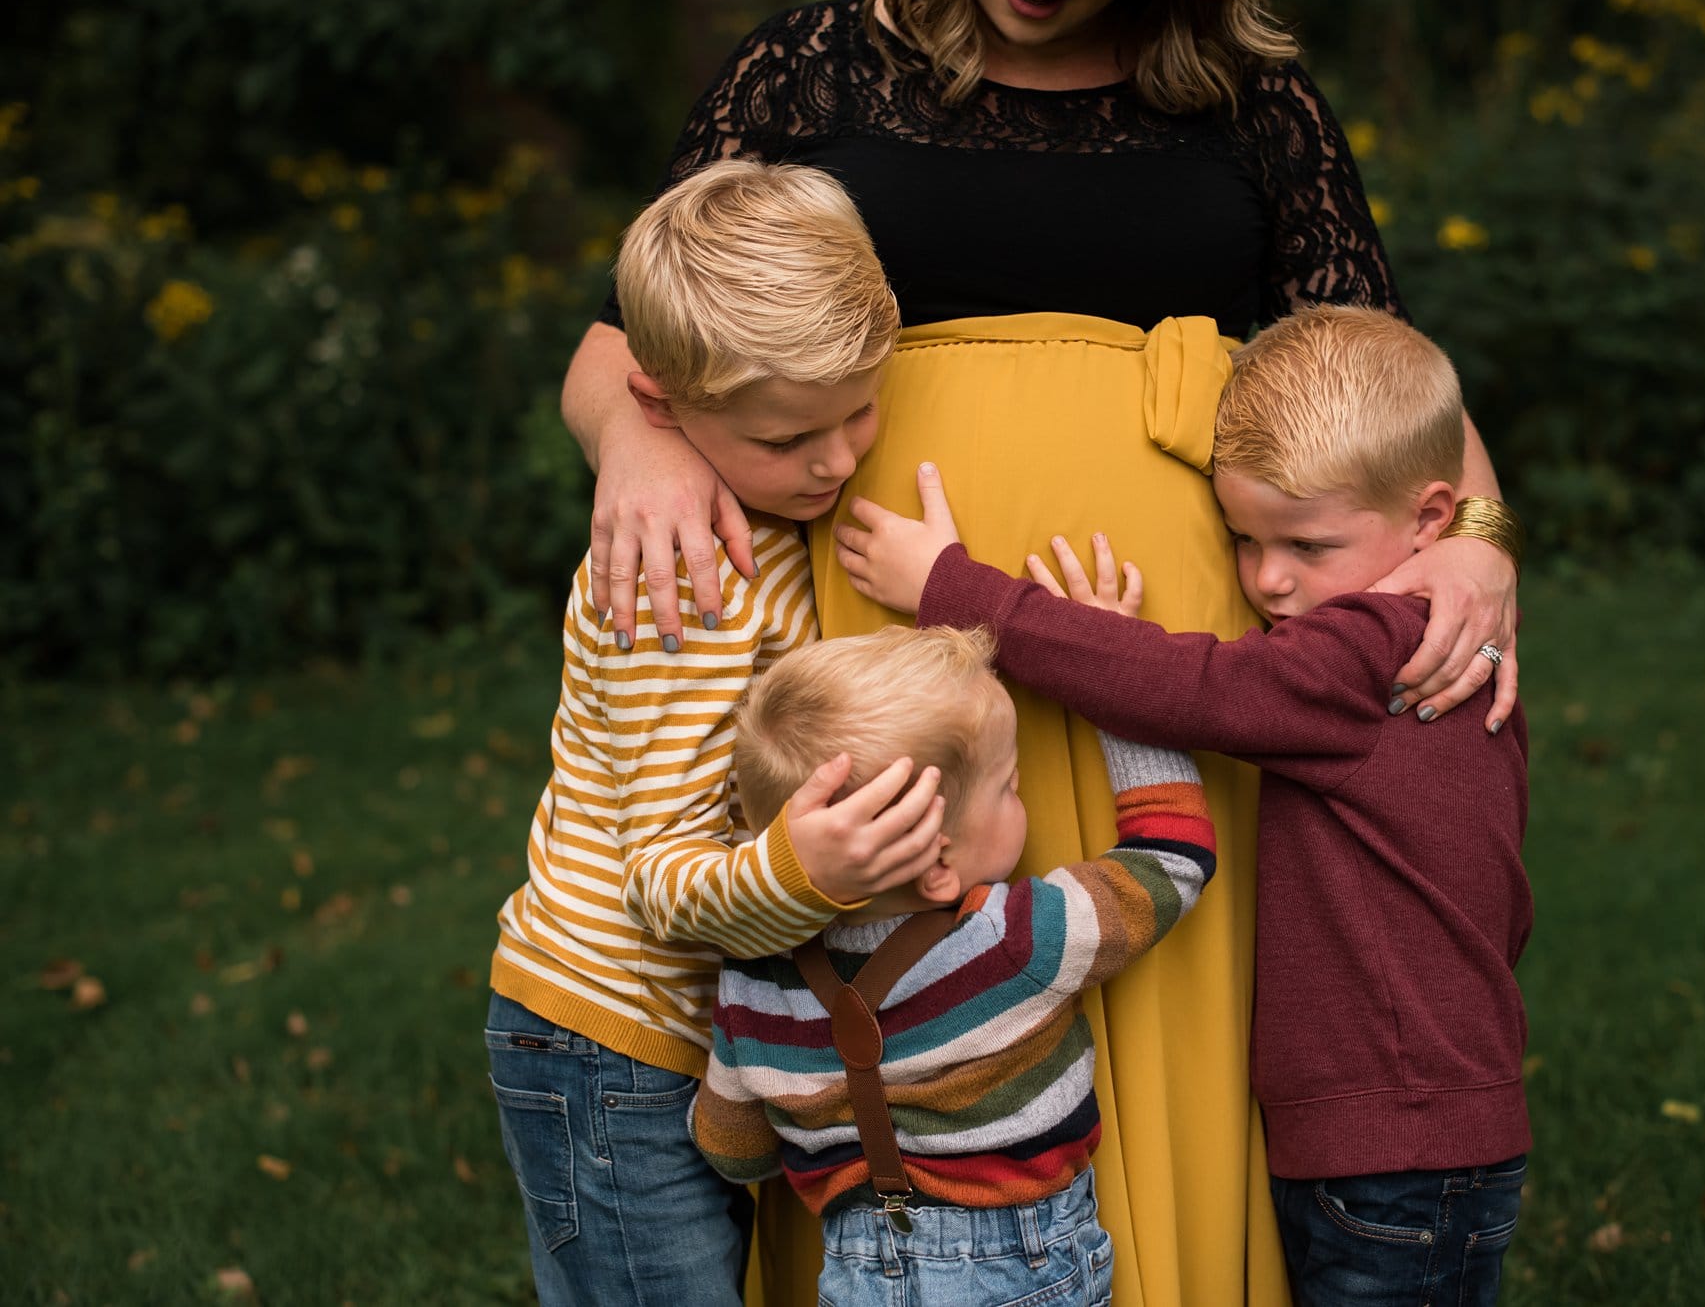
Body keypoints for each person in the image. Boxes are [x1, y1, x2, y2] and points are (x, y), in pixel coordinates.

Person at [560, 0, 1525, 1299]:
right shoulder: (809, 67)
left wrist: (1478, 542)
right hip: (885, 636)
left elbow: (1376, 370)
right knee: (891, 974)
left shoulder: (1249, 97)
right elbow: (634, 342)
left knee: (1152, 949)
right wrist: (634, 448)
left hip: (1169, 649)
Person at [839, 304, 1533, 1307]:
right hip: (1393, 1134)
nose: (1268, 578)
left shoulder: (1379, 647)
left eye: (1305, 543)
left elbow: (1199, 689)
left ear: (1432, 519)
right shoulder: (1426, 639)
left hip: (1398, 1146)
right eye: (1243, 541)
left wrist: (953, 588)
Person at [485, 160, 953, 1307]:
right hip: (613, 1044)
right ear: (660, 407)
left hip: (689, 1044)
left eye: (857, 412)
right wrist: (811, 869)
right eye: (790, 438)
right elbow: (661, 883)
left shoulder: (778, 510)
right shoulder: (683, 586)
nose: (836, 461)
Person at [691, 625, 1216, 1306]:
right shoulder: (1012, 938)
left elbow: (733, 1149)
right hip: (1021, 1262)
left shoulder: (753, 978)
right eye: (1010, 787)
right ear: (941, 864)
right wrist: (1116, 688)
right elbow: (1172, 860)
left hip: (855, 1274)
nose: (1018, 796)